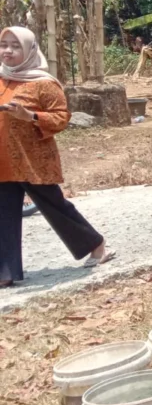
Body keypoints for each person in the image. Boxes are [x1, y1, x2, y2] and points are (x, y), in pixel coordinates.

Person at [0, 26, 113, 287]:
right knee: (3, 213)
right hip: (3, 160)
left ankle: (96, 245)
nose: (7, 51)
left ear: (29, 50)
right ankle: (5, 273)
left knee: (54, 205)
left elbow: (62, 118)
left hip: (33, 160)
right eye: (4, 44)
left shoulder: (43, 83)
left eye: (15, 46)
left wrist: (30, 116)